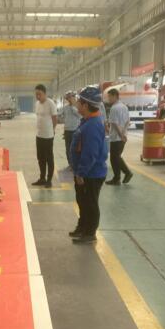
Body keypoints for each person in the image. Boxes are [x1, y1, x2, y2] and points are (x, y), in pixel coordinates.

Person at [68, 86, 108, 243]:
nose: (76, 103)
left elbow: (90, 153)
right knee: (83, 202)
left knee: (90, 203)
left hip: (91, 173)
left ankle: (90, 233)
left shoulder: (93, 125)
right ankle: (82, 227)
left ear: (85, 105)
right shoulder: (87, 120)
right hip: (84, 172)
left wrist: (81, 173)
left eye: (79, 101)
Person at [32, 84, 58, 188]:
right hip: (39, 135)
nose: (38, 96)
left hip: (48, 136)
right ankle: (42, 178)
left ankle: (49, 180)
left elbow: (55, 119)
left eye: (40, 94)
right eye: (36, 94)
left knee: (49, 158)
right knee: (40, 158)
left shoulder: (50, 103)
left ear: (45, 93)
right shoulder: (37, 104)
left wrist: (52, 130)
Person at [106, 88, 133, 185]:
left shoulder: (114, 108)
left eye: (109, 96)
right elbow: (128, 121)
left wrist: (121, 135)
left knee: (114, 158)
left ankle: (124, 175)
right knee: (117, 157)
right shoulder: (124, 107)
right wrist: (124, 133)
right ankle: (118, 177)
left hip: (116, 137)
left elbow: (114, 124)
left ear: (114, 96)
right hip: (122, 136)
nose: (108, 99)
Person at [62, 91, 80, 168]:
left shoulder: (78, 106)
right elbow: (63, 117)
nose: (69, 99)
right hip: (67, 130)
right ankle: (70, 164)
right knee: (68, 148)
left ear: (74, 97)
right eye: (67, 98)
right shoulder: (65, 107)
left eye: (70, 97)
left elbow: (79, 115)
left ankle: (75, 164)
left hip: (75, 130)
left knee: (75, 148)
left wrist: (73, 106)